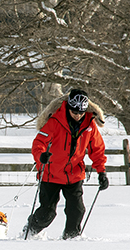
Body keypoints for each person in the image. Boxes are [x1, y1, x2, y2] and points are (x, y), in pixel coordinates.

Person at [25, 88, 108, 239]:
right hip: (50, 174)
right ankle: (29, 231)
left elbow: (97, 150)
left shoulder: (90, 125)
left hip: (74, 175)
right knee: (46, 214)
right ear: (68, 108)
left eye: (81, 113)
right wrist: (41, 156)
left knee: (77, 211)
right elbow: (39, 143)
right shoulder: (55, 121)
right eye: (74, 112)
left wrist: (101, 172)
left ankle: (70, 239)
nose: (77, 116)